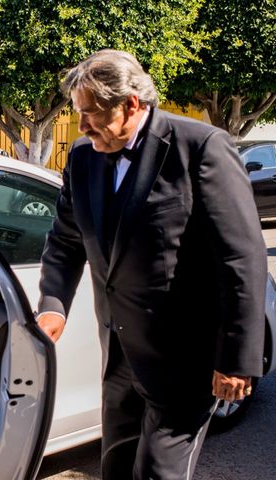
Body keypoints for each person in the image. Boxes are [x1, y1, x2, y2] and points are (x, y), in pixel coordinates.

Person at [37, 50, 266, 480]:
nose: (82, 126)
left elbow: (241, 257)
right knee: (117, 468)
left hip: (184, 361)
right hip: (119, 359)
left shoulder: (200, 147)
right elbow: (66, 241)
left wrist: (237, 358)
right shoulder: (84, 159)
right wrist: (53, 302)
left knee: (160, 474)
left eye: (90, 114)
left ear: (131, 104)